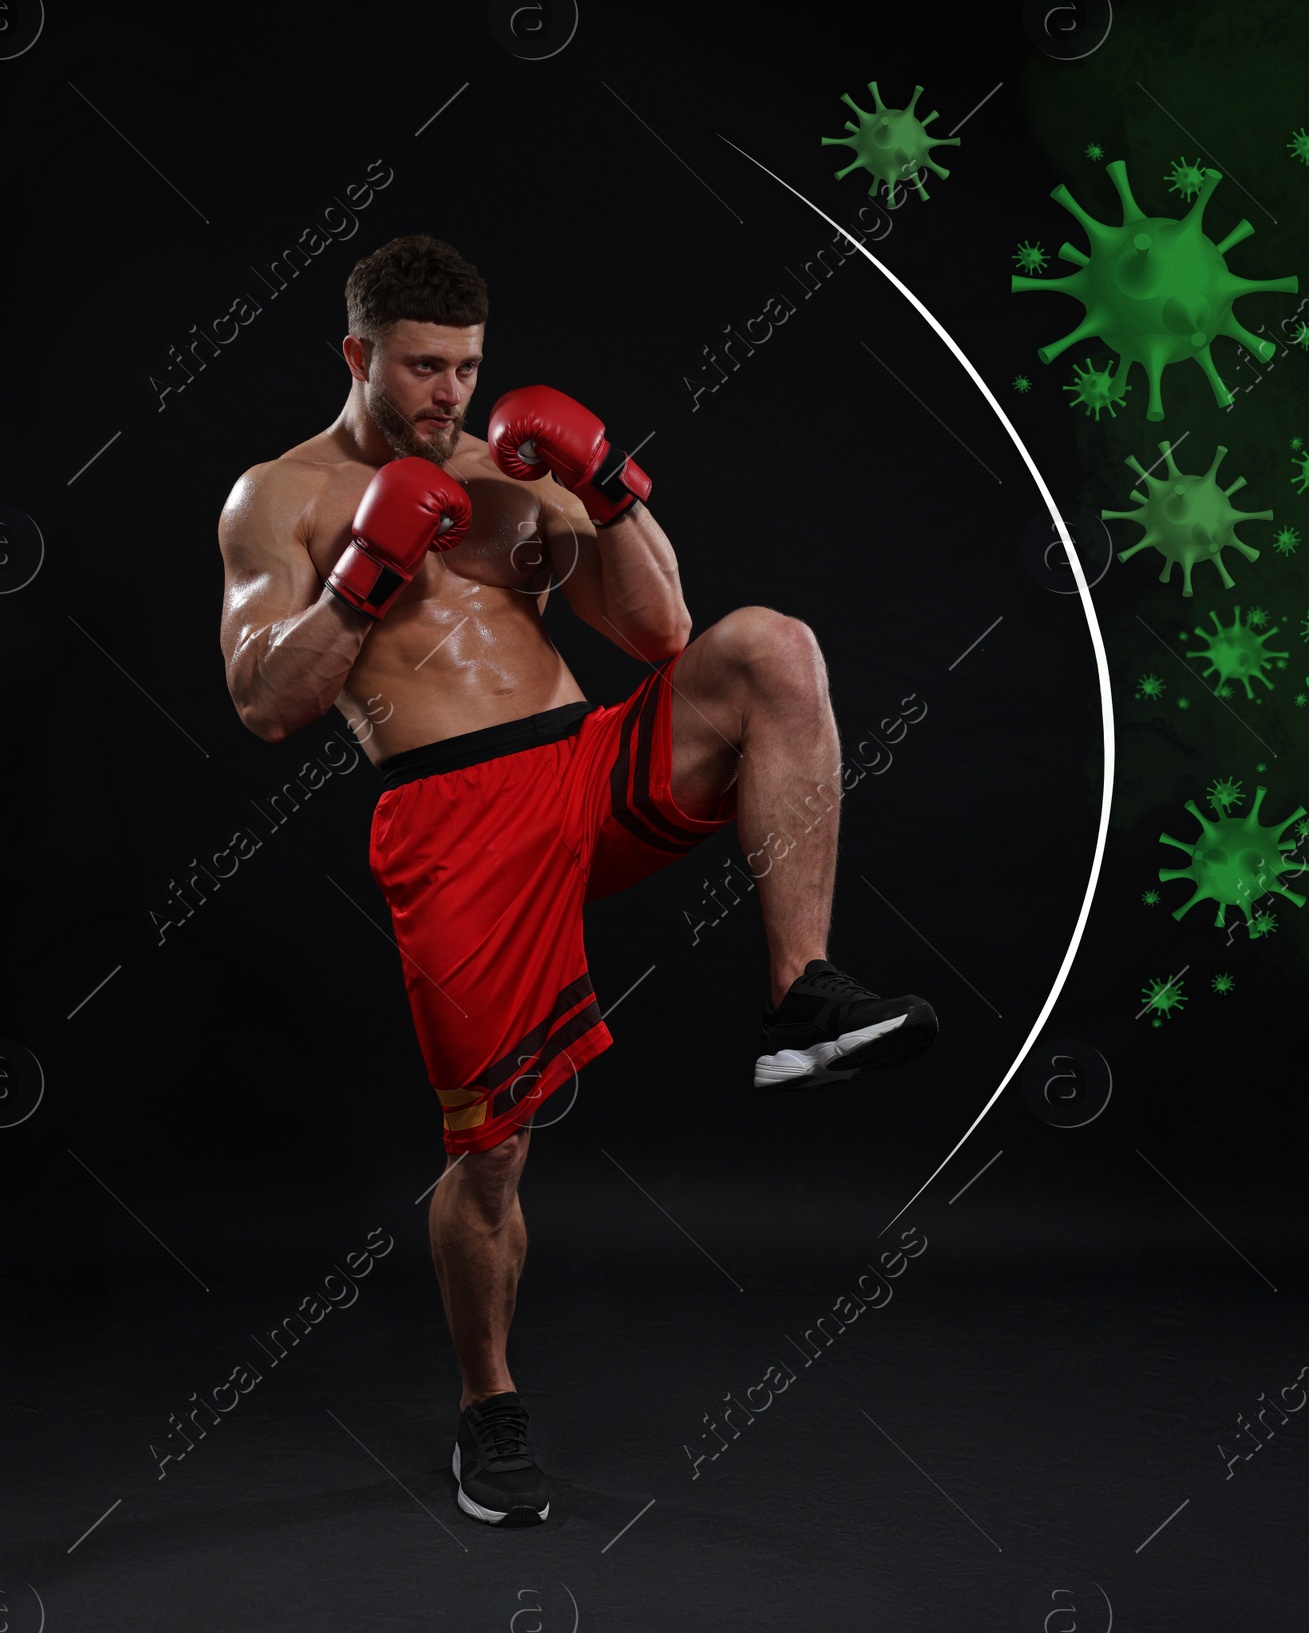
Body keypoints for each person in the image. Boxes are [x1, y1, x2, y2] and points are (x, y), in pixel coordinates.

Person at [215, 235, 938, 1526]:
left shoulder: (509, 464)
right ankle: (488, 1405)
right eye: (423, 368)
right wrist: (363, 573)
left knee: (771, 649)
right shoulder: (279, 497)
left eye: (467, 368)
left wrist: (607, 488)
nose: (448, 393)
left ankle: (802, 1000)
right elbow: (267, 700)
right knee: (492, 1156)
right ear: (357, 356)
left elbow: (659, 634)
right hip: (450, 819)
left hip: (585, 763)